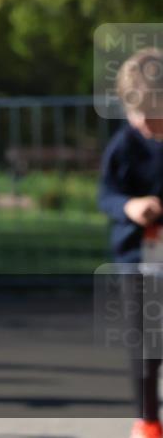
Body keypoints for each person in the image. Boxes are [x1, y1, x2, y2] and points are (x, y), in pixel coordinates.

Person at [98, 47, 163, 438]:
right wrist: (130, 206)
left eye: (152, 112)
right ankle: (148, 420)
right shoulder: (124, 145)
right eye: (135, 112)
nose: (143, 122)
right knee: (144, 347)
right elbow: (105, 195)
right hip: (139, 261)